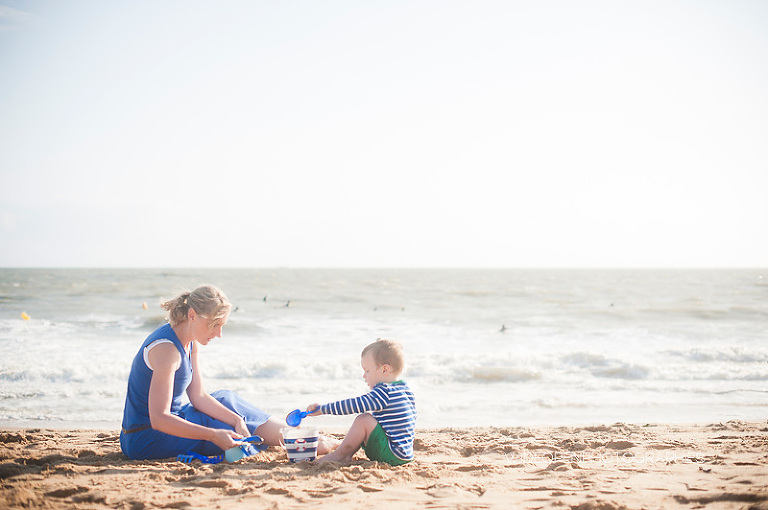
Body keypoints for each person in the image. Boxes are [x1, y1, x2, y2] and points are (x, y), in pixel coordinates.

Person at [120, 284, 336, 460]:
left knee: (225, 399)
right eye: (214, 325)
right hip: (145, 440)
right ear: (192, 315)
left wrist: (236, 420)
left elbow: (199, 397)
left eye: (222, 325)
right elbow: (159, 419)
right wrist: (214, 434)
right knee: (218, 427)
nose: (219, 333)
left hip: (164, 429)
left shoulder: (189, 341)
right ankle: (302, 441)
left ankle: (296, 437)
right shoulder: (167, 351)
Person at [306, 339, 416, 465]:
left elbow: (354, 405)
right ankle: (343, 450)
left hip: (391, 454)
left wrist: (323, 409)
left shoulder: (384, 392)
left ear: (384, 370)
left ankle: (341, 455)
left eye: (367, 371)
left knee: (363, 419)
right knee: (370, 421)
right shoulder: (405, 389)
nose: (364, 376)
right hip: (406, 454)